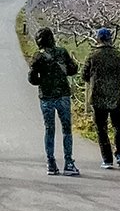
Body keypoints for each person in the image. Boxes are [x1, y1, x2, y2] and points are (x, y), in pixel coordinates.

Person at [27, 27, 80, 176]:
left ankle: (51, 163)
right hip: (63, 94)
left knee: (49, 129)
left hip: (46, 96)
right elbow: (72, 70)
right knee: (66, 129)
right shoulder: (62, 52)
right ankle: (68, 162)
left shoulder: (38, 56)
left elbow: (32, 78)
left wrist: (42, 81)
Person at [82, 26, 120, 169]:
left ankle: (107, 159)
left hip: (98, 96)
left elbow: (84, 75)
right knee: (118, 125)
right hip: (116, 95)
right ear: (110, 39)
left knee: (101, 127)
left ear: (98, 39)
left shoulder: (92, 56)